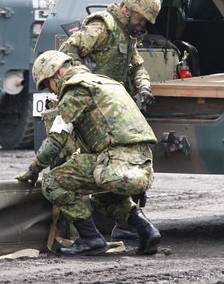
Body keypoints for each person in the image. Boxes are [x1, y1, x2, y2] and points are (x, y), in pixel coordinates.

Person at [16, 51, 161, 256]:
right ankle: (147, 230)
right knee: (103, 200)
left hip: (114, 160)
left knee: (52, 182)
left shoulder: (76, 89)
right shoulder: (104, 82)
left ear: (56, 73)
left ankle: (90, 238)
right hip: (141, 160)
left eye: (49, 84)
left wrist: (33, 170)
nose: (52, 90)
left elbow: (56, 139)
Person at [59, 0, 161, 241]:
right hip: (92, 109)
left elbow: (136, 66)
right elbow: (67, 54)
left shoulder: (127, 33)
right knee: (82, 162)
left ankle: (122, 223)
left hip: (114, 111)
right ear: (127, 9)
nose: (143, 25)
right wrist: (86, 83)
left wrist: (144, 87)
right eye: (140, 19)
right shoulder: (102, 27)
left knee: (125, 162)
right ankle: (82, 226)